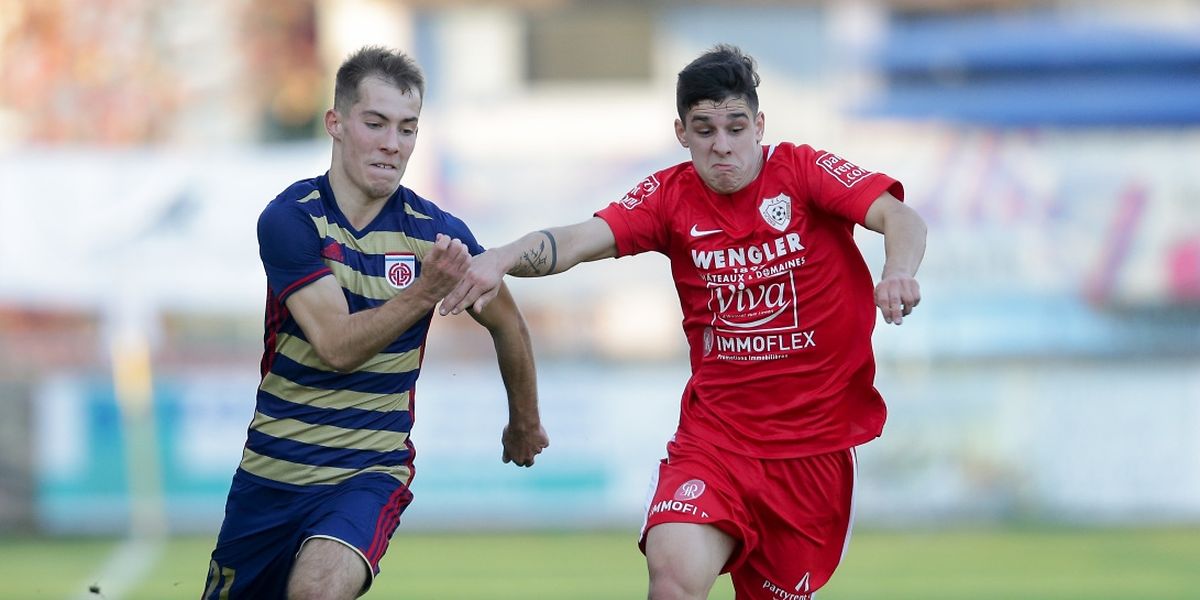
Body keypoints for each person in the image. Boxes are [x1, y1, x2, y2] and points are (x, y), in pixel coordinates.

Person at [441, 44, 926, 599]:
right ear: (682, 132)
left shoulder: (804, 171)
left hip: (811, 451)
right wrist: (501, 257)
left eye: (736, 127)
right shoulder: (670, 197)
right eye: (704, 129)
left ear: (759, 125)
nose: (722, 145)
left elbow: (899, 215)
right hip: (716, 441)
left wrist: (898, 271)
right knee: (672, 577)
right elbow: (578, 240)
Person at [202, 45, 550, 600]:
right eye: (377, 123)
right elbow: (337, 347)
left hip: (367, 473)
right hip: (271, 475)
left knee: (317, 592)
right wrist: (424, 292)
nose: (393, 143)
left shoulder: (435, 233)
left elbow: (507, 323)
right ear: (335, 124)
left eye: (408, 128)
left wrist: (524, 421)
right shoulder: (292, 220)